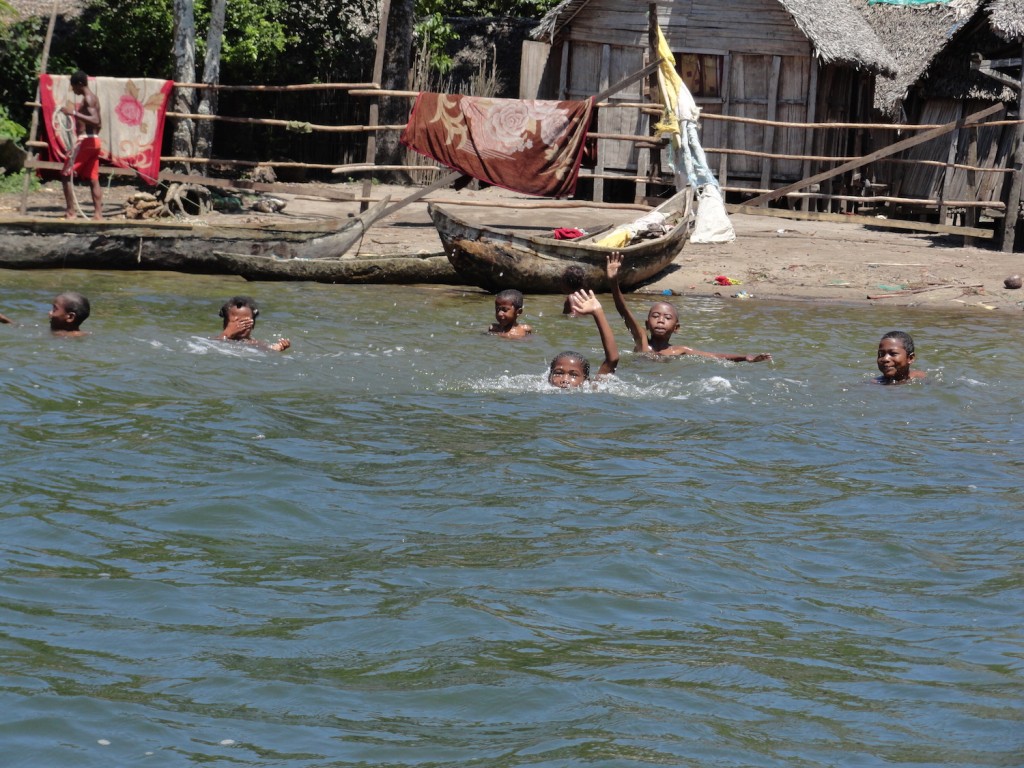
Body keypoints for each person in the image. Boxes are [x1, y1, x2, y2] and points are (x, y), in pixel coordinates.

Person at [606, 252, 771, 362]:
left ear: (676, 327)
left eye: (667, 318)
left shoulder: (680, 351)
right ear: (647, 324)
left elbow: (715, 356)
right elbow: (624, 311)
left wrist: (745, 358)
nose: (661, 320)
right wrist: (614, 281)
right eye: (655, 316)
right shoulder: (642, 342)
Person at [548, 289, 619, 388]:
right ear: (549, 378)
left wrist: (598, 312)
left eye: (574, 375)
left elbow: (612, 359)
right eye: (558, 373)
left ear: (586, 381)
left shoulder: (591, 389)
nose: (565, 380)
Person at [60, 70, 103, 220]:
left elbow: (96, 120)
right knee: (93, 178)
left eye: (74, 87)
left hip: (86, 141)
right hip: (94, 140)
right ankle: (98, 214)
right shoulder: (93, 98)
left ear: (79, 84)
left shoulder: (88, 99)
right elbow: (100, 124)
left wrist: (74, 113)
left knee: (66, 175)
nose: (73, 90)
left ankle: (71, 212)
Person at [214, 296, 291, 352]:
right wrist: (226, 334)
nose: (240, 326)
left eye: (246, 322)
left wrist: (277, 348)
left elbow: (268, 350)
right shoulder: (218, 340)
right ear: (225, 324)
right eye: (236, 322)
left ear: (253, 325)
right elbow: (212, 344)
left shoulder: (255, 344)